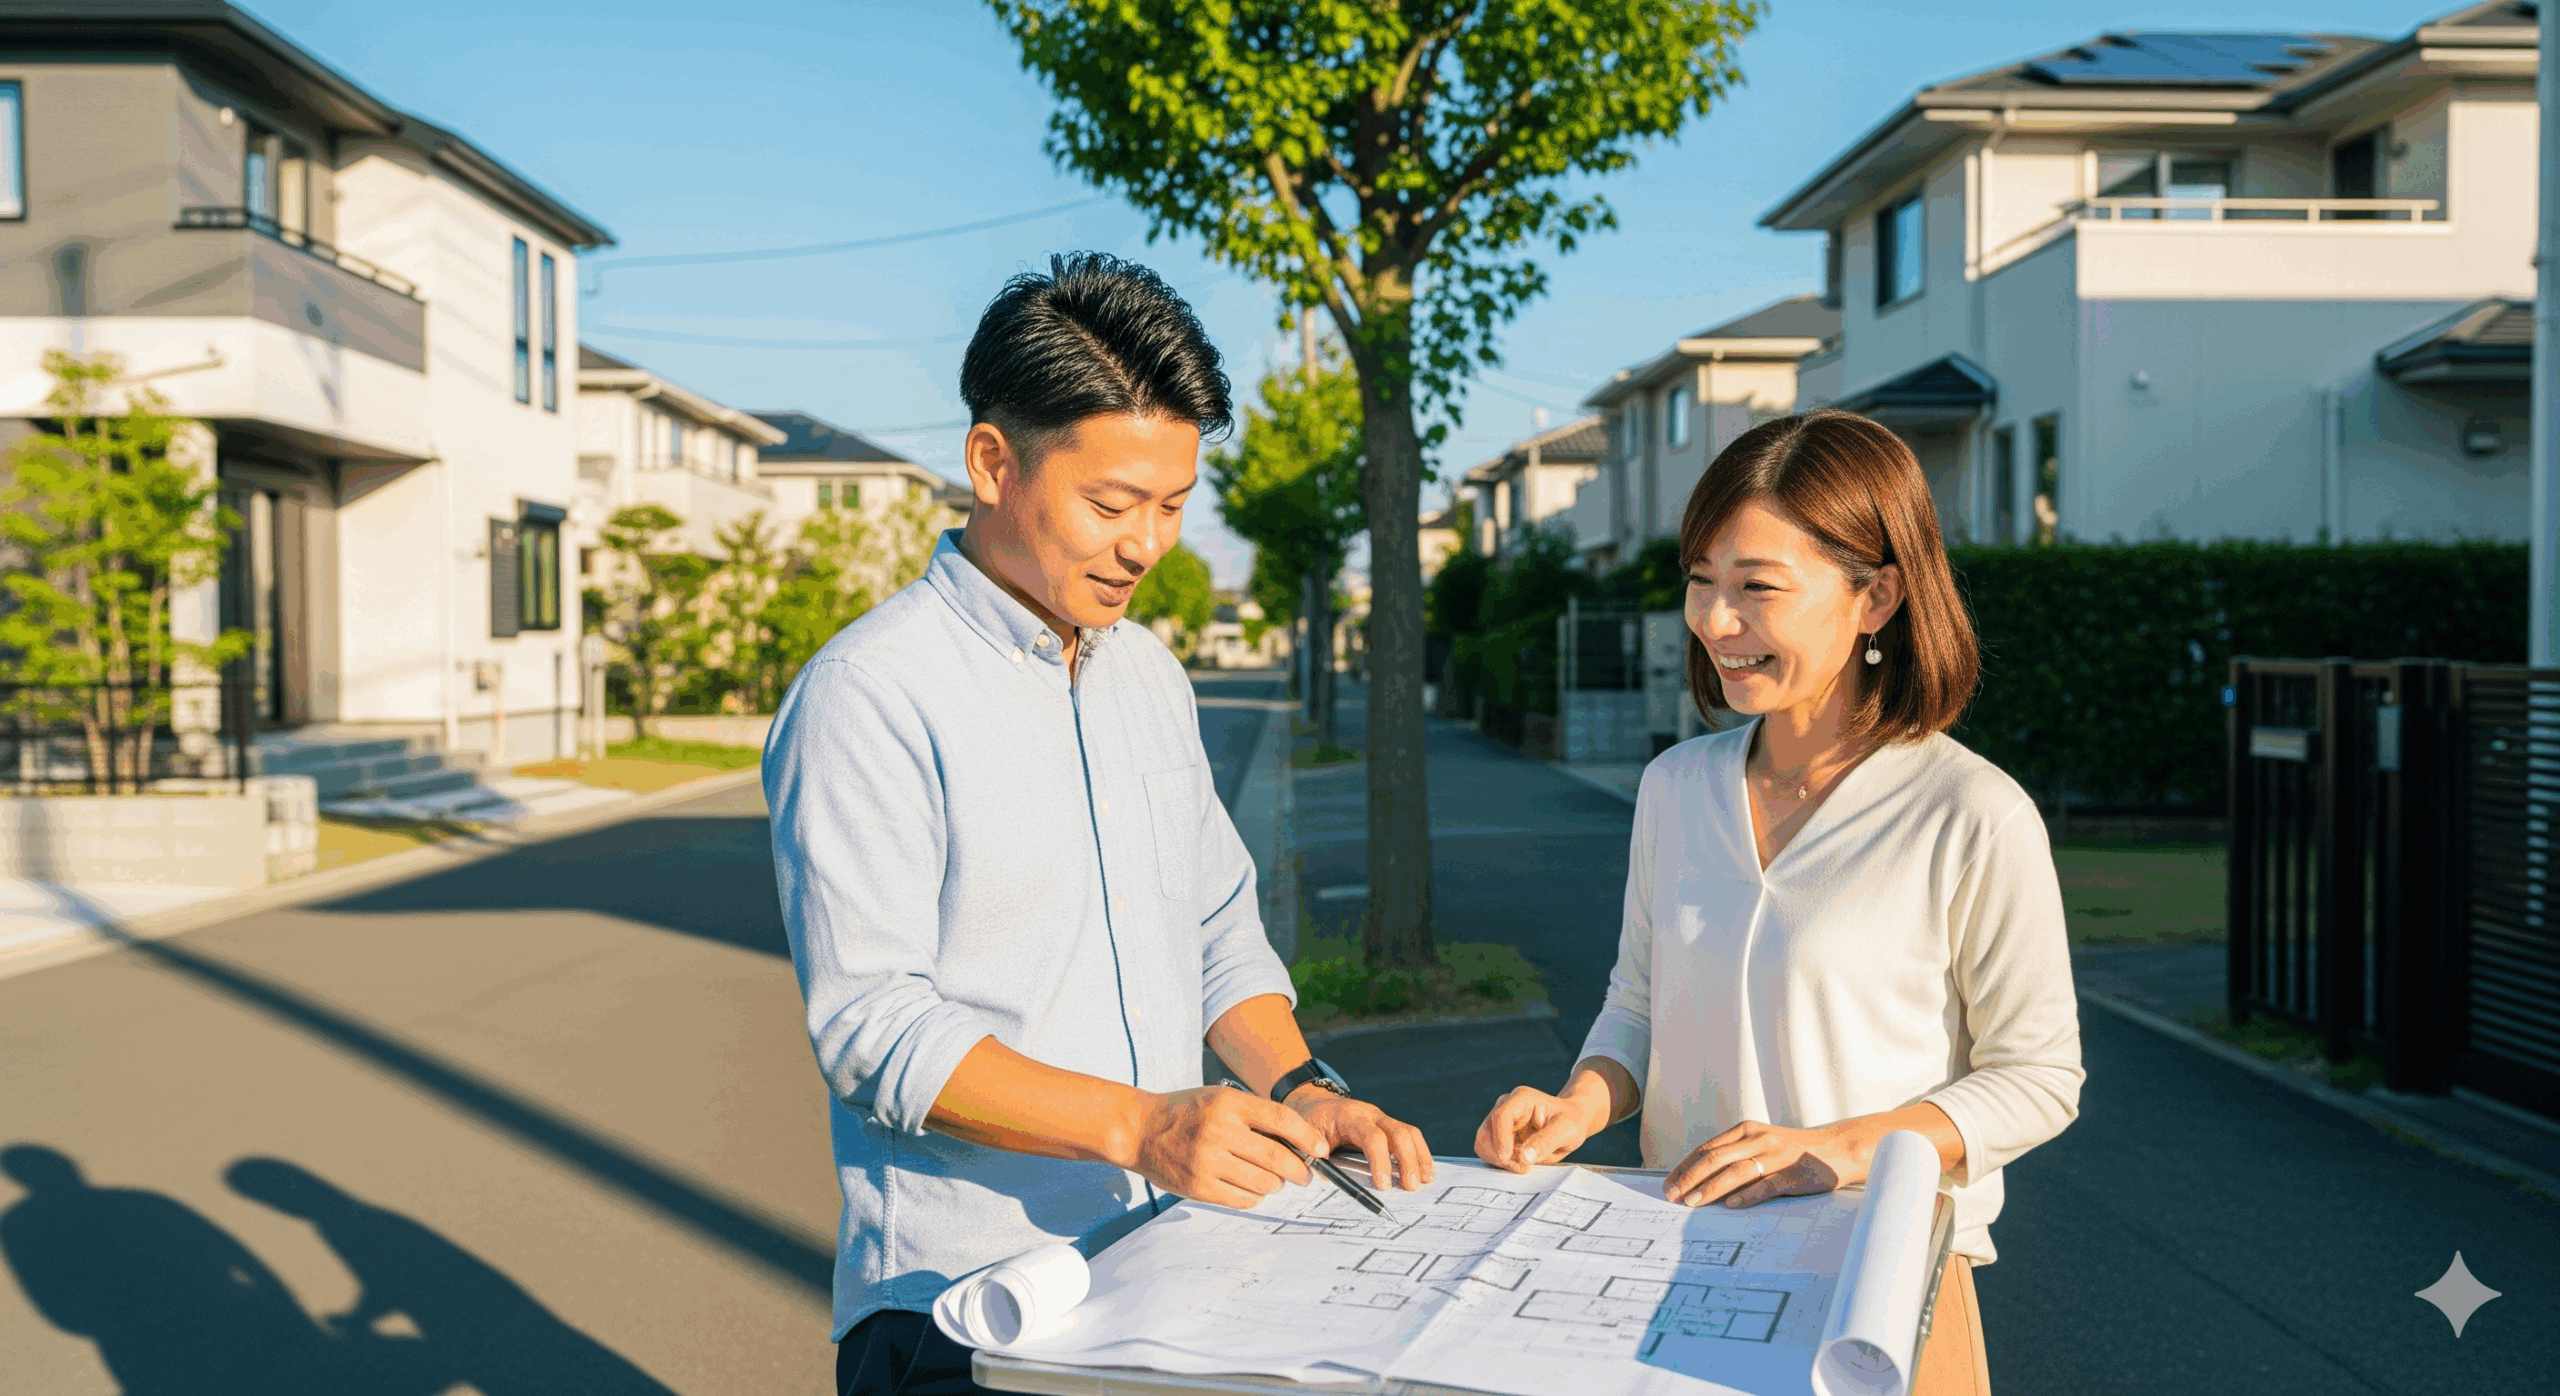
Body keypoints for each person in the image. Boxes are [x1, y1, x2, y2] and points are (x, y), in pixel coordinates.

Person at [765, 251, 1433, 1396]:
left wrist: (1301, 1088)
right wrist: (1142, 1125)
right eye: (1112, 503)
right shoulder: (870, 692)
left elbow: (1218, 926)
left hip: (1164, 1267)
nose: (1148, 544)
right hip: (960, 1307)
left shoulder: (1146, 675)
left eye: (1173, 505)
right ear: (991, 463)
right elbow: (873, 1024)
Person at [1473, 411, 2084, 1396]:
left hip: (1883, 1294)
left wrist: (1832, 1152)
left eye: (1756, 587)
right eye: (1701, 581)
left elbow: (2037, 1076)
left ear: (1876, 595)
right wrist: (1579, 1100)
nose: (1715, 620)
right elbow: (1637, 1001)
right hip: (1672, 1261)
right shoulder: (1675, 786)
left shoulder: (1970, 813)